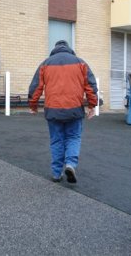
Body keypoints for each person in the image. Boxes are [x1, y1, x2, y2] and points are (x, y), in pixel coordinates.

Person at [28, 40, 98, 183]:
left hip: (53, 110)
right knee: (73, 138)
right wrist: (92, 105)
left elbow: (36, 87)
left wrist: (33, 105)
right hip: (74, 110)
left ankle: (56, 173)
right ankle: (71, 165)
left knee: (56, 140)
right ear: (69, 49)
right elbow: (90, 85)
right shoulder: (80, 63)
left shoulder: (46, 64)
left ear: (55, 49)